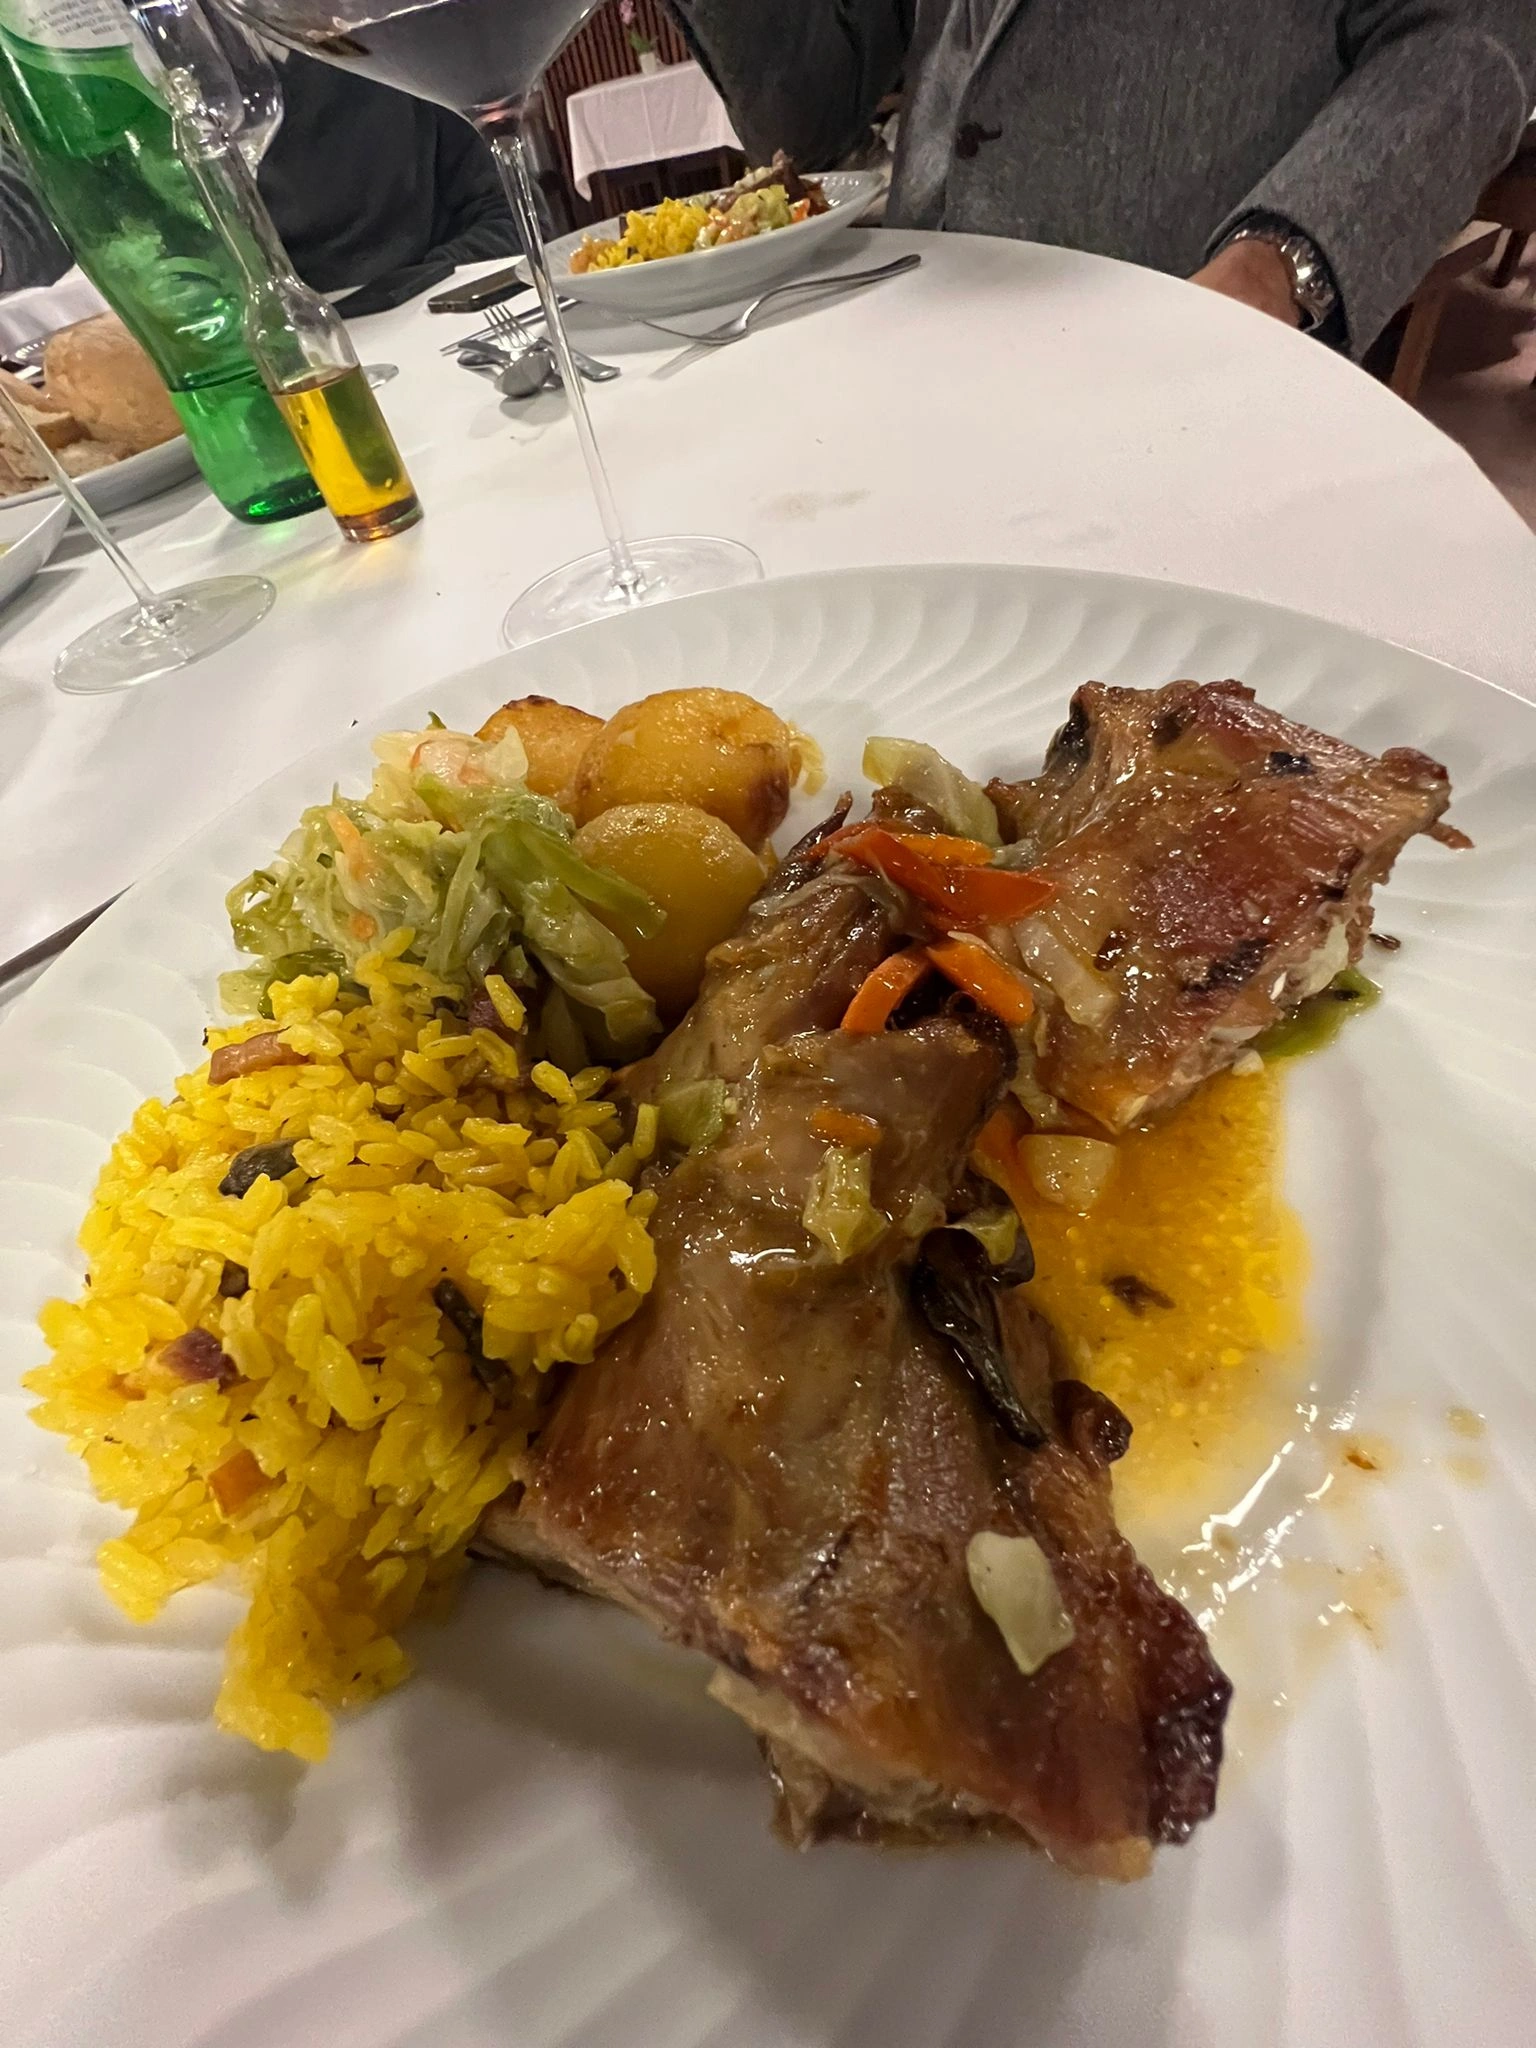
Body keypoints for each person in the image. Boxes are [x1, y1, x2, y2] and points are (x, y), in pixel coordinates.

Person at [675, 0, 1536, 352]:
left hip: (1182, 356)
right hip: (917, 346)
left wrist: (1278, 263)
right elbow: (811, 114)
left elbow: (1472, 28)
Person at [0, 53, 517, 301]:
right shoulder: (97, 67)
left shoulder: (378, 27)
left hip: (444, 323)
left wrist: (382, 309)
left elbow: (509, 214)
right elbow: (26, 227)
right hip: (249, 388)